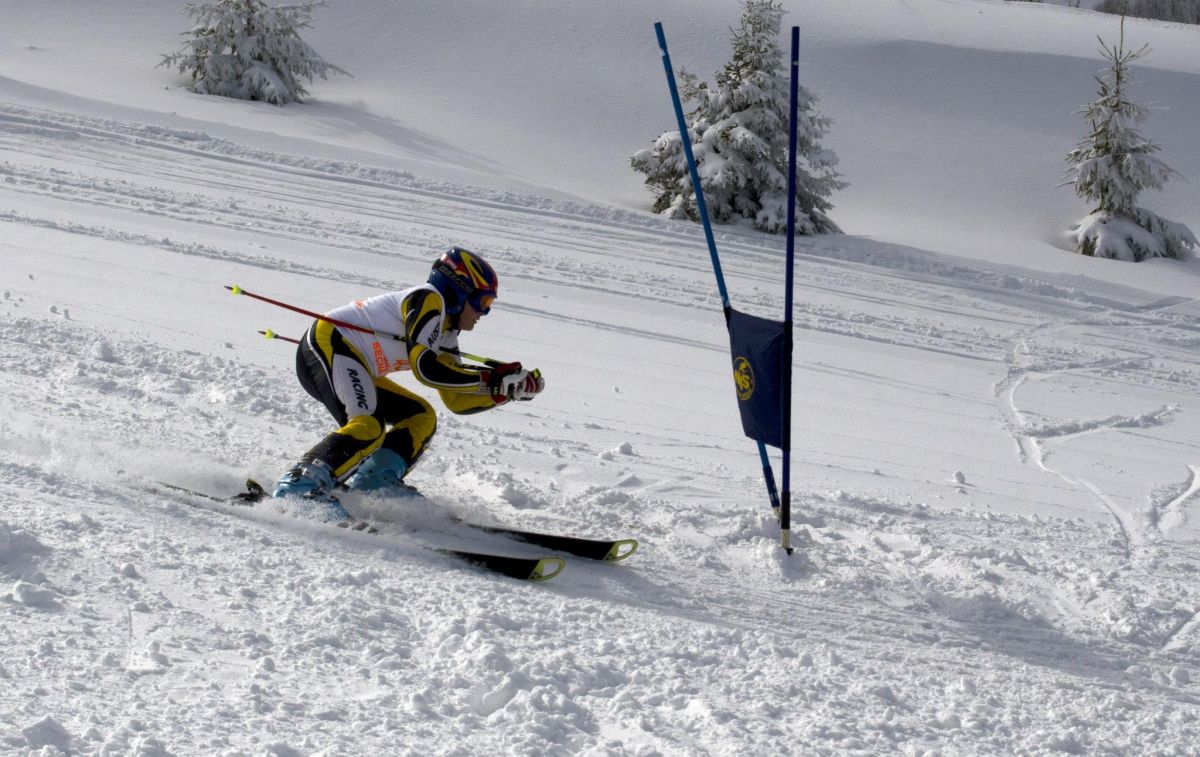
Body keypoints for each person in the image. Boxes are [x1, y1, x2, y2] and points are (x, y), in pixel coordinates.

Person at [272, 246, 545, 522]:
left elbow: (456, 400)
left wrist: (504, 390)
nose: (484, 313)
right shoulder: (428, 299)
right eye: (483, 303)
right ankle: (298, 486)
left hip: (354, 362)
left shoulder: (447, 334)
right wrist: (490, 379)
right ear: (459, 290)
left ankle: (373, 483)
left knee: (420, 416)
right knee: (369, 425)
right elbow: (425, 369)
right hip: (329, 344)